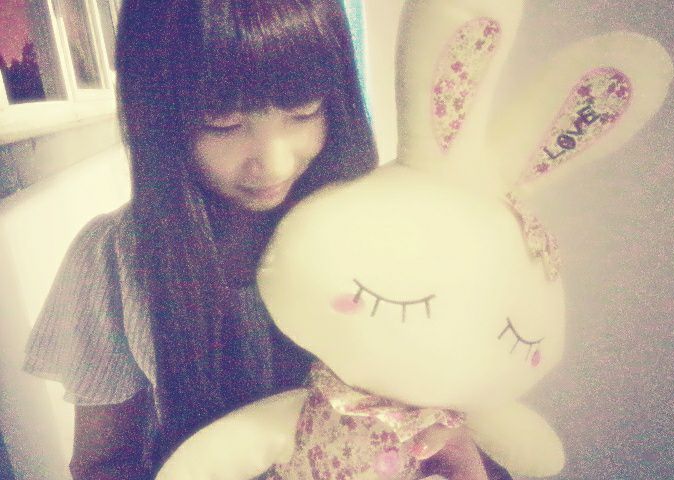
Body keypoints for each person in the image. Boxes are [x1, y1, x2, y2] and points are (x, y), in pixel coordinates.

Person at [23, 0, 512, 478]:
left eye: (303, 111)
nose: (275, 163)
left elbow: (447, 389)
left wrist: (451, 438)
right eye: (224, 123)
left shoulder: (384, 225)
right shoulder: (112, 261)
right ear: (158, 116)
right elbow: (105, 463)